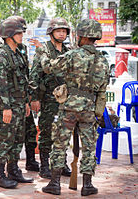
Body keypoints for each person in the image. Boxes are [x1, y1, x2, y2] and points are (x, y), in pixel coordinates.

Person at [41, 19, 109, 196]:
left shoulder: (73, 55)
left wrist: (42, 54)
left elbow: (49, 67)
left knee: (60, 144)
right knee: (89, 147)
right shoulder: (103, 60)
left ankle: (54, 183)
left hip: (69, 107)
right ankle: (87, 185)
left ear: (83, 36)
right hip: (89, 109)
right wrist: (98, 113)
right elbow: (102, 92)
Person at [0, 18, 33, 189]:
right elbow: (0, 85)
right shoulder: (1, 55)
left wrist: (26, 103)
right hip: (7, 105)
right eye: (18, 33)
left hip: (19, 103)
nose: (21, 35)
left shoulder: (17, 53)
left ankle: (14, 170)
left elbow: (23, 80)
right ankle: (0, 176)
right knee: (4, 140)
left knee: (17, 139)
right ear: (9, 35)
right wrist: (5, 108)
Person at [30, 18, 71, 178]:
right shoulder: (44, 50)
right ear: (51, 32)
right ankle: (45, 165)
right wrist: (34, 98)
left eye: (64, 31)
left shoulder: (68, 51)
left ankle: (61, 163)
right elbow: (35, 74)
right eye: (58, 31)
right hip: (48, 98)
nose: (62, 34)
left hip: (65, 100)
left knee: (64, 133)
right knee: (46, 131)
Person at [7, 15, 40, 172]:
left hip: (23, 99)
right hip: (12, 101)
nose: (22, 34)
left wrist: (29, 98)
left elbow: (25, 75)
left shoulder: (22, 49)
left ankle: (30, 161)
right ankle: (11, 168)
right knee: (12, 136)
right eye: (19, 32)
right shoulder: (5, 51)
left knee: (30, 131)